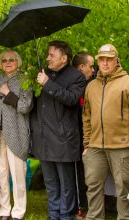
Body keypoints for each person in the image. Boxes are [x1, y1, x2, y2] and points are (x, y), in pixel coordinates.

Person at [30, 40, 87, 220]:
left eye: (51, 55)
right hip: (44, 139)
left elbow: (70, 99)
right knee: (51, 182)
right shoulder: (43, 74)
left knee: (66, 183)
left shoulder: (76, 77)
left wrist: (47, 84)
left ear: (64, 58)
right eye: (47, 54)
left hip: (63, 139)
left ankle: (66, 215)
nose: (47, 58)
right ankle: (53, 214)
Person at [82, 44, 129, 220]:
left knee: (123, 188)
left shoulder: (127, 82)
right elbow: (86, 116)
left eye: (109, 59)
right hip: (95, 146)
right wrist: (87, 143)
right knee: (93, 186)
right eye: (102, 59)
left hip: (122, 145)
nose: (105, 63)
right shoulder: (91, 86)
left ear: (117, 60)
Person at [0, 50, 33, 220]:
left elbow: (25, 107)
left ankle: (18, 212)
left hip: (17, 133)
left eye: (11, 60)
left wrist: (8, 94)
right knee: (2, 173)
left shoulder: (25, 80)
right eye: (4, 60)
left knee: (18, 174)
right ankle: (4, 211)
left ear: (17, 62)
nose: (7, 62)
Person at [72, 52, 95, 214]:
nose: (93, 70)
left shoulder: (93, 85)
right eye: (91, 66)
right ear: (81, 67)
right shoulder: (71, 86)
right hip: (75, 136)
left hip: (92, 135)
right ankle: (82, 206)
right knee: (79, 171)